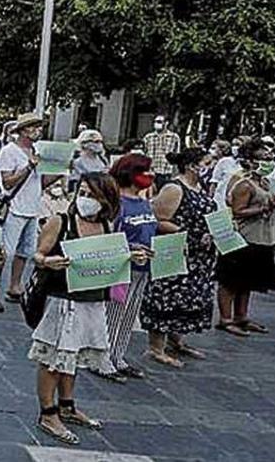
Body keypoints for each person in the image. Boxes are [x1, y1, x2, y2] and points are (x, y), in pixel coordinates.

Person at [29, 172, 138, 445]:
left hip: (91, 299)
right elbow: (38, 254)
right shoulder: (61, 221)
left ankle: (67, 405)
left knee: (73, 355)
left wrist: (130, 254)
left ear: (106, 200)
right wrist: (48, 261)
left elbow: (109, 258)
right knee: (54, 357)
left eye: (93, 195)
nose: (86, 200)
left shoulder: (107, 226)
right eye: (83, 193)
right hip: (62, 299)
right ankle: (47, 413)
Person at [143, 148, 217, 367]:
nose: (209, 167)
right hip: (177, 249)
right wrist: (184, 232)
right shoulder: (174, 188)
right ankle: (156, 346)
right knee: (168, 294)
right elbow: (157, 218)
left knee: (188, 296)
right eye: (206, 163)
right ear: (192, 165)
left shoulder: (199, 186)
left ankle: (176, 339)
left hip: (198, 254)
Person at [94, 153, 158, 382]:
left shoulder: (144, 201)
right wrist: (131, 248)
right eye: (144, 172)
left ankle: (118, 356)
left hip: (144, 266)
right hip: (122, 267)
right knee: (113, 313)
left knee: (129, 315)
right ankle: (102, 358)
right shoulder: (117, 204)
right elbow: (108, 236)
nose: (149, 176)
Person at [215, 140, 275, 336]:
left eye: (271, 158)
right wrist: (263, 208)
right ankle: (226, 319)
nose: (269, 161)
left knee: (248, 280)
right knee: (231, 280)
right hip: (243, 238)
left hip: (262, 237)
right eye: (265, 158)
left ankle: (241, 316)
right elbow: (237, 210)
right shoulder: (243, 183)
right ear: (251, 162)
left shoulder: (264, 182)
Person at [0, 113, 46, 313]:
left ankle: (14, 287)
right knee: (4, 252)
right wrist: (28, 167)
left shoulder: (36, 151)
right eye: (35, 127)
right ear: (24, 130)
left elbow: (40, 183)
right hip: (14, 208)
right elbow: (8, 182)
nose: (39, 131)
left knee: (24, 251)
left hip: (32, 208)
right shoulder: (9, 151)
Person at [143, 115, 181, 189]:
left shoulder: (174, 137)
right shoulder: (148, 137)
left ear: (166, 123)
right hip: (152, 172)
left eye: (159, 122)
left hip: (167, 172)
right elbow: (144, 154)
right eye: (155, 122)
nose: (156, 124)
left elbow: (177, 156)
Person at [207, 139, 239, 209]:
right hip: (220, 198)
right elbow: (214, 182)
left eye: (214, 148)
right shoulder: (221, 162)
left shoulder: (225, 161)